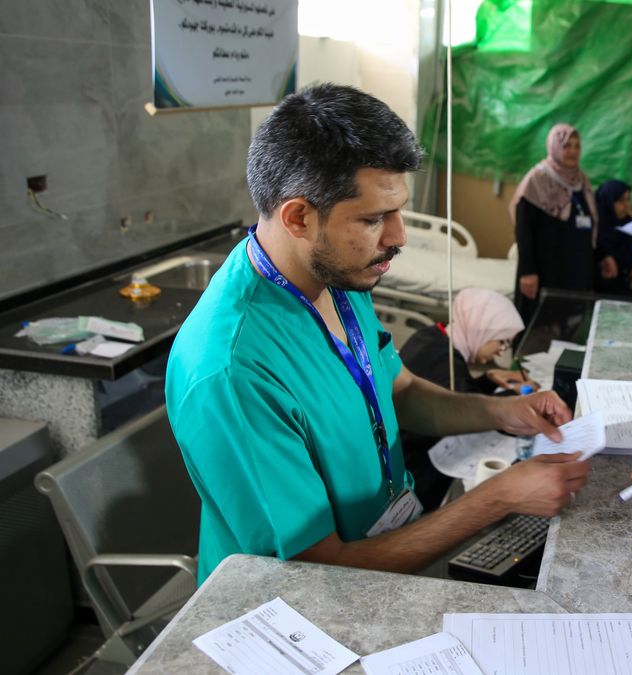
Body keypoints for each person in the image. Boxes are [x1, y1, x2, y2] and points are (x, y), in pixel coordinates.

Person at [166, 84, 589, 584]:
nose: (398, 236)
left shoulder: (337, 275)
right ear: (298, 216)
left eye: (397, 210)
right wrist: (497, 498)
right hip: (296, 608)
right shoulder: (233, 371)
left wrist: (503, 413)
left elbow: (398, 389)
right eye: (373, 219)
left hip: (384, 550)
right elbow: (314, 571)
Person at [398, 287, 536, 509]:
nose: (501, 351)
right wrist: (517, 398)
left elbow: (459, 392)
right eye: (501, 341)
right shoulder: (443, 362)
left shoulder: (433, 336)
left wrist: (488, 379)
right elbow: (466, 411)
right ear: (481, 329)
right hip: (417, 469)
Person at [511, 124, 598, 322]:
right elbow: (523, 230)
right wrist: (528, 272)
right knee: (538, 330)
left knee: (566, 330)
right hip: (544, 271)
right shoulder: (537, 180)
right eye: (567, 145)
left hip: (573, 272)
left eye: (577, 146)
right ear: (554, 147)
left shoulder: (581, 181)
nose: (573, 151)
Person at [593, 180, 632, 297]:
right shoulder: (594, 224)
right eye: (621, 200)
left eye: (628, 200)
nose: (626, 205)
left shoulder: (628, 223)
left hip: (621, 287)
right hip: (592, 289)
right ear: (608, 201)